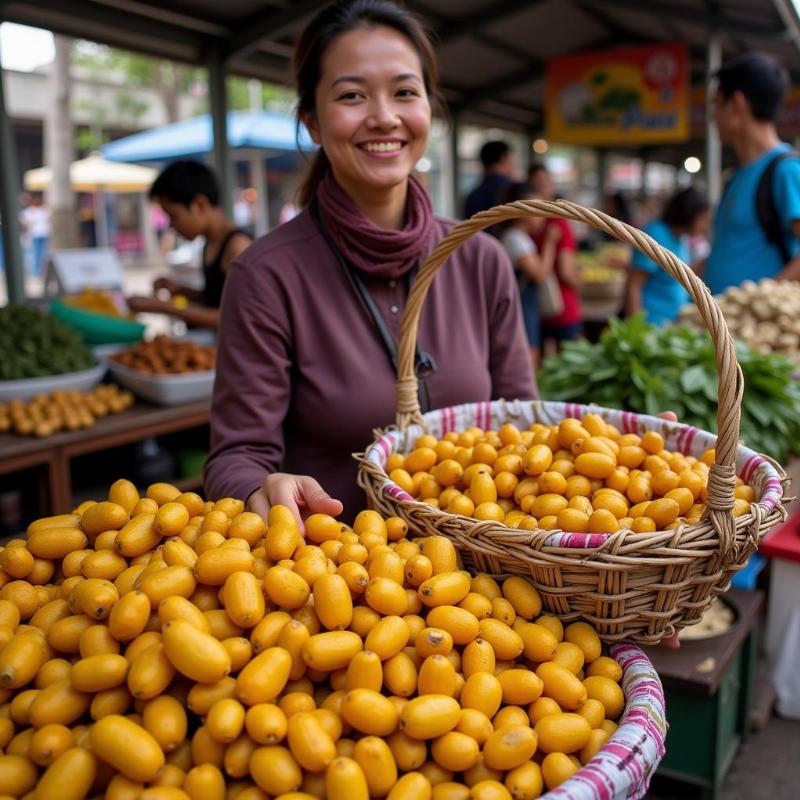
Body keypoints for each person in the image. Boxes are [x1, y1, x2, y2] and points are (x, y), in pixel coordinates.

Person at [204, 0, 534, 523]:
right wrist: (260, 488)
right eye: (352, 95)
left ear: (429, 108)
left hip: (488, 585)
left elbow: (524, 422)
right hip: (343, 585)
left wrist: (605, 455)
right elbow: (236, 457)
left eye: (405, 92)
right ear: (312, 120)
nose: (384, 117)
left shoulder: (481, 258)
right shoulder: (266, 275)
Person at [705, 51, 800, 295]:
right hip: (720, 324)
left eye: (716, 103)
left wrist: (754, 302)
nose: (713, 115)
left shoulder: (785, 170)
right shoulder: (734, 177)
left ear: (737, 103)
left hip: (754, 328)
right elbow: (727, 251)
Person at [127, 161, 253, 330]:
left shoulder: (238, 248)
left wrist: (164, 307)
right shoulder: (210, 242)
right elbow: (218, 299)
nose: (171, 225)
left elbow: (236, 318)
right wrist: (180, 289)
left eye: (173, 215)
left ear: (199, 205)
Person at [497, 182, 561, 369]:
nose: (542, 216)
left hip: (527, 307)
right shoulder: (515, 238)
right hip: (522, 308)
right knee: (528, 359)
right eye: (537, 209)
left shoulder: (518, 237)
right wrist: (550, 243)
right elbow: (540, 274)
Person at [625, 187, 710, 325]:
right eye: (703, 219)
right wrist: (638, 329)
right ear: (690, 214)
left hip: (671, 323)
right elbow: (634, 285)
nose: (705, 227)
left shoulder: (681, 239)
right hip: (651, 324)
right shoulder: (655, 235)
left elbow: (677, 275)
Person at [527, 164, 583, 346]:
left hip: (536, 309)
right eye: (538, 184)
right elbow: (566, 272)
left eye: (546, 183)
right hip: (562, 307)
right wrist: (580, 283)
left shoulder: (523, 224)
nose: (544, 188)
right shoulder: (558, 223)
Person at [463, 140, 518, 219]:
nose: (515, 163)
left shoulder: (471, 197)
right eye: (512, 158)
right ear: (504, 157)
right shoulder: (512, 191)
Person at [19, 193, 51, 278]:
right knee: (34, 254)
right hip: (34, 235)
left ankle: (39, 272)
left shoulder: (44, 210)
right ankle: (34, 272)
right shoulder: (29, 211)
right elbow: (25, 223)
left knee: (42, 254)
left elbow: (49, 220)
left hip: (43, 234)